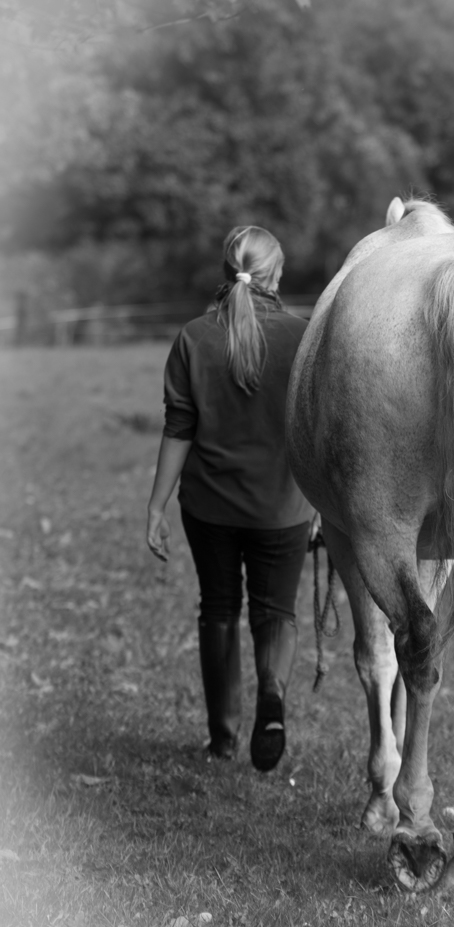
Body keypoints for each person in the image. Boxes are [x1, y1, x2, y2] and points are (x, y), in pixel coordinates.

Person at [146, 226, 314, 772]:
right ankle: (272, 695)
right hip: (282, 506)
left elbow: (179, 427)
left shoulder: (194, 337)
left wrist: (155, 507)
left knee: (218, 609)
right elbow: (317, 432)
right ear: (276, 275)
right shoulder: (303, 337)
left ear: (227, 272)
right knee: (276, 611)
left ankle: (221, 739)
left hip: (208, 505)